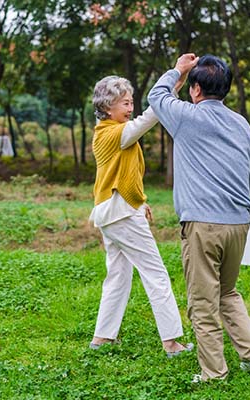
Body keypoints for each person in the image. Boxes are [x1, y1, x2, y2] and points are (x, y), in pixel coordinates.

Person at [147, 53, 250, 380]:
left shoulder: (187, 117)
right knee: (227, 291)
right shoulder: (240, 123)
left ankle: (214, 373)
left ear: (197, 89)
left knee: (203, 303)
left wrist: (178, 70)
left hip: (203, 226)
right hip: (239, 224)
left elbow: (156, 96)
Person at [89, 74, 193, 357]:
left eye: (131, 101)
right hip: (120, 215)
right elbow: (150, 117)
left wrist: (141, 202)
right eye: (125, 103)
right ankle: (172, 342)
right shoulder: (112, 134)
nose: (130, 106)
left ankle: (102, 338)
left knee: (118, 276)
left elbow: (126, 175)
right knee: (156, 273)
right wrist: (172, 83)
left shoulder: (111, 131)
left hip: (114, 212)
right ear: (108, 106)